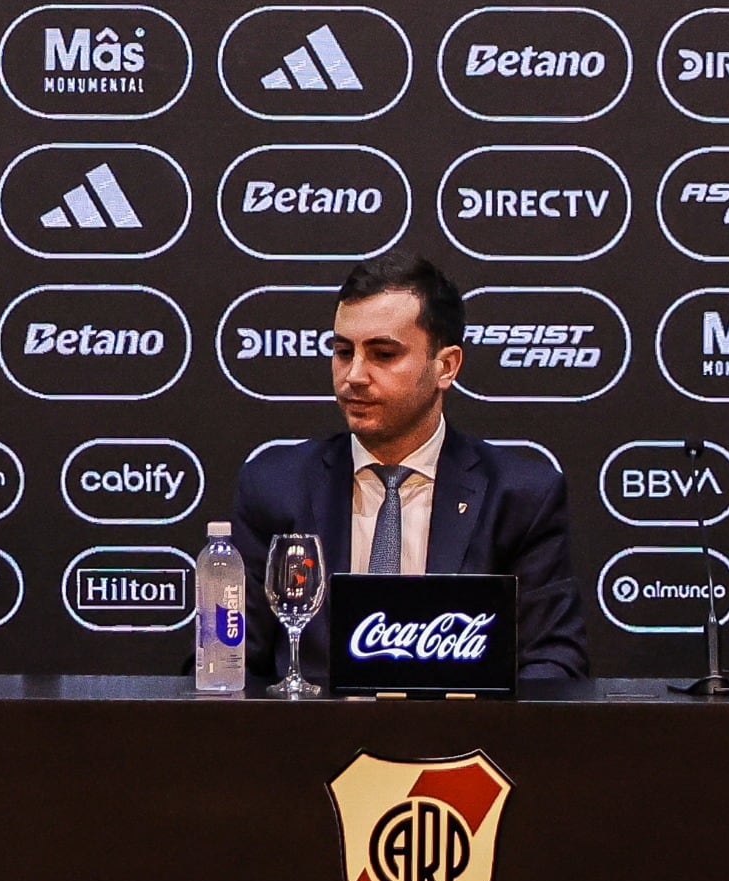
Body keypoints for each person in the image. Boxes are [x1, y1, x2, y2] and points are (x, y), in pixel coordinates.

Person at [232, 252, 589, 681]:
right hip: (313, 743)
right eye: (343, 352)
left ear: (446, 366)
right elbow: (229, 664)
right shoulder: (275, 485)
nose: (354, 376)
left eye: (382, 354)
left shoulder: (520, 495)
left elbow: (554, 662)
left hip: (463, 743)